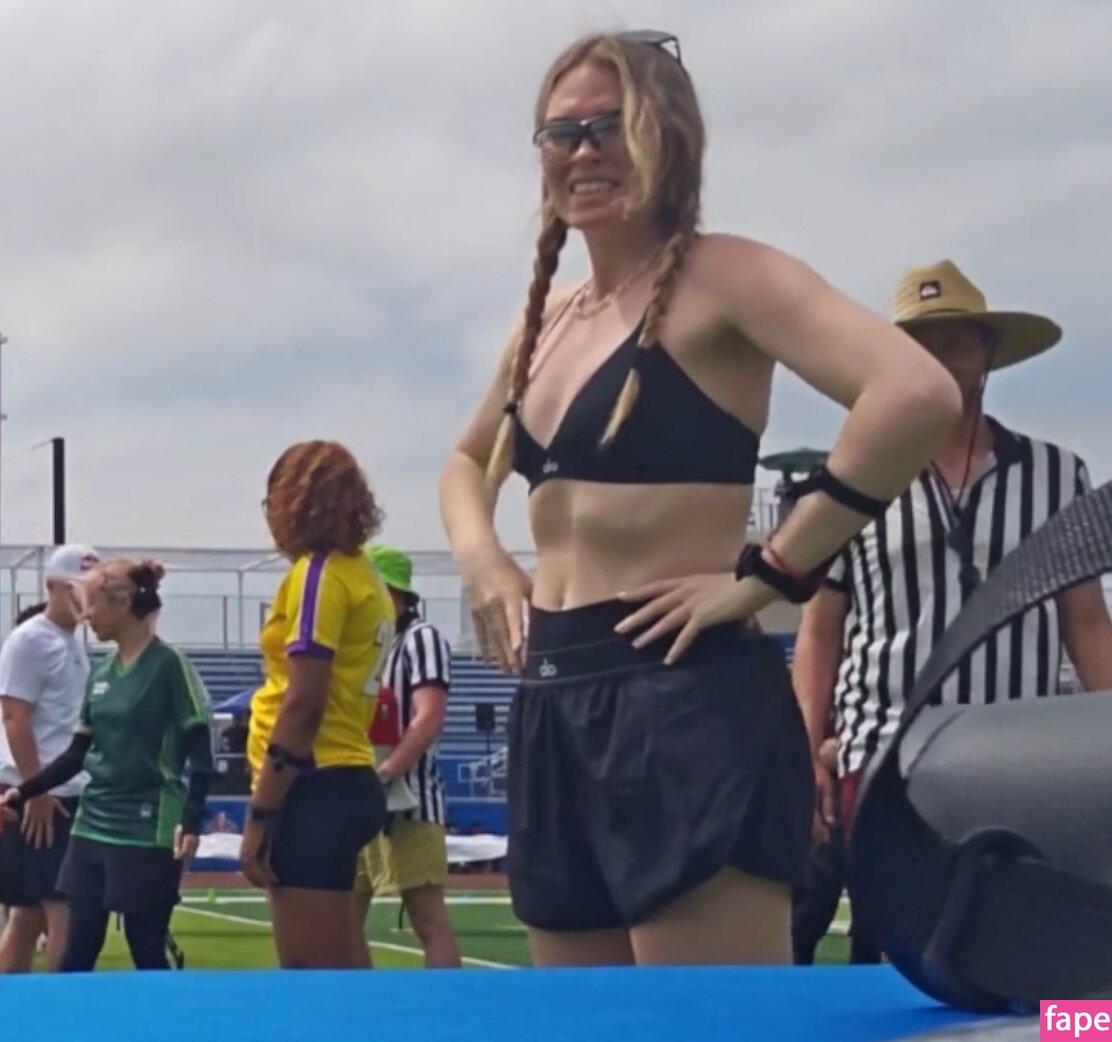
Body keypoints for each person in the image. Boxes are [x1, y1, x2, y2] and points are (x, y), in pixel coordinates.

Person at [438, 29, 963, 967]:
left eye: (611, 126)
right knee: (582, 1029)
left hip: (683, 700)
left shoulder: (726, 276)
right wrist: (484, 560)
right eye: (562, 133)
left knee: (705, 1022)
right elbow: (464, 461)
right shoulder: (548, 319)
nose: (584, 151)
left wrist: (771, 572)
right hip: (553, 703)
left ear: (669, 138)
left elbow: (914, 393)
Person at [792, 258, 1112, 961]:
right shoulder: (850, 475)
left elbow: (1086, 621)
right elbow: (820, 630)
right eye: (919, 345)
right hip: (882, 750)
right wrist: (804, 751)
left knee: (1013, 942)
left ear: (987, 351)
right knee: (888, 949)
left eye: (955, 341)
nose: (939, 359)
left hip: (1016, 752)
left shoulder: (1054, 474)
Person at [0, 558, 213, 972]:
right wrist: (22, 792)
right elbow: (76, 754)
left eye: (93, 603)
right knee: (76, 947)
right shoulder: (101, 672)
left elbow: (201, 751)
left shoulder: (168, 665)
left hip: (148, 824)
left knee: (145, 945)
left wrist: (190, 820)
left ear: (123, 603)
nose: (86, 616)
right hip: (92, 823)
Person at [241, 440, 395, 969]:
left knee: (312, 985)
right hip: (342, 775)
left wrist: (260, 817)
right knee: (345, 976)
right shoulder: (363, 573)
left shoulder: (319, 573)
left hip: (312, 782)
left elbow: (304, 702)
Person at [355, 544, 462, 969]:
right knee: (341, 917)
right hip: (359, 794)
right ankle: (355, 1002)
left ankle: (444, 1001)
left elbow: (429, 716)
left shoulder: (422, 638)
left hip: (410, 799)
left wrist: (386, 773)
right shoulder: (369, 644)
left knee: (426, 917)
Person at [0, 544, 99, 972]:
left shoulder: (70, 642)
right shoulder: (31, 640)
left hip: (55, 789)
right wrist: (35, 791)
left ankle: (14, 1003)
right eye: (75, 589)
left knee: (29, 913)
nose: (85, 598)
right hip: (45, 793)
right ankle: (65, 1004)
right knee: (64, 909)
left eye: (91, 590)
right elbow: (14, 716)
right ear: (52, 587)